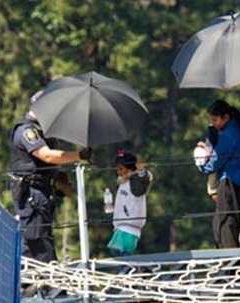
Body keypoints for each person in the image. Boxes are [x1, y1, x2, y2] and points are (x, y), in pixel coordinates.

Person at [9, 90, 92, 264]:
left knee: (40, 234)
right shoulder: (26, 131)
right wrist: (79, 155)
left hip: (43, 190)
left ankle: (34, 281)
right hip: (31, 191)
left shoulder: (42, 131)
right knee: (36, 237)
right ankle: (45, 281)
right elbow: (46, 155)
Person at [196, 100, 240, 248]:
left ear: (226, 118)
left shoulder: (229, 135)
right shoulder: (237, 128)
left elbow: (217, 160)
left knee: (225, 224)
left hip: (230, 181)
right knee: (229, 222)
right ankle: (232, 264)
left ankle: (230, 265)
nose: (213, 123)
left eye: (215, 120)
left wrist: (202, 165)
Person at [107, 150, 153, 257]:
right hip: (121, 226)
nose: (118, 172)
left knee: (120, 254)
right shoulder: (124, 183)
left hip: (129, 227)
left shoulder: (135, 182)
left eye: (121, 169)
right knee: (117, 254)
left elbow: (143, 182)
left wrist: (141, 171)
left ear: (130, 169)